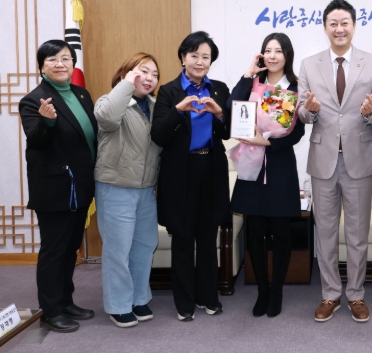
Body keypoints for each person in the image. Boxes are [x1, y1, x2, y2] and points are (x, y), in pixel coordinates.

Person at [297, 0, 372, 323]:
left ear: (353, 26)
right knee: (325, 233)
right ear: (325, 27)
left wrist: (371, 113)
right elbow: (300, 111)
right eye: (333, 23)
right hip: (323, 160)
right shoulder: (309, 64)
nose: (339, 28)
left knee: (357, 233)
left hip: (359, 159)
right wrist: (310, 111)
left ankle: (356, 294)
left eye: (344, 23)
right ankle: (330, 294)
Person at [151, 31, 231, 322]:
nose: (200, 61)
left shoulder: (219, 89)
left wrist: (219, 113)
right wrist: (178, 109)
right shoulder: (169, 91)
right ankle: (184, 303)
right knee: (183, 239)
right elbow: (158, 135)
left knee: (208, 237)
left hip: (211, 169)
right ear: (183, 57)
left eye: (205, 57)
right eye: (194, 55)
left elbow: (228, 132)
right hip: (179, 173)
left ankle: (208, 297)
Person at [19, 40, 98, 333]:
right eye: (52, 59)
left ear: (73, 63)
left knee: (69, 249)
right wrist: (47, 122)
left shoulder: (81, 93)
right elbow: (37, 141)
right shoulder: (34, 100)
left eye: (65, 58)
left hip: (82, 185)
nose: (60, 64)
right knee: (54, 250)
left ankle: (66, 301)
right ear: (42, 66)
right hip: (55, 189)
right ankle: (51, 311)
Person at [228, 32, 305, 318]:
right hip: (251, 164)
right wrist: (248, 74)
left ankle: (277, 290)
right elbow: (232, 107)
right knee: (255, 231)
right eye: (268, 51)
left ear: (287, 55)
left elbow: (298, 132)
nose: (273, 56)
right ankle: (262, 289)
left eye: (278, 51)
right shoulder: (253, 83)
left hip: (279, 163)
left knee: (282, 232)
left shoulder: (296, 87)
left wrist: (269, 143)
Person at [93, 53, 162, 328]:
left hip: (146, 189)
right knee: (118, 249)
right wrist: (125, 84)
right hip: (116, 186)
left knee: (145, 245)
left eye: (155, 74)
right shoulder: (109, 101)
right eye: (143, 71)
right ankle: (118, 305)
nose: (149, 78)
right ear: (126, 73)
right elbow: (108, 120)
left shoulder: (156, 107)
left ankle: (138, 298)